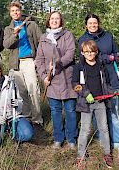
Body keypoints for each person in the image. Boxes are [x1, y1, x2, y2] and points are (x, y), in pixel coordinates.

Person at [78, 14, 119, 159]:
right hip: (96, 82)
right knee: (98, 116)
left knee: (114, 113)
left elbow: (115, 51)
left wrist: (118, 56)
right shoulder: (83, 39)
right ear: (86, 25)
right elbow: (86, 59)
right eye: (90, 23)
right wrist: (108, 57)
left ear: (98, 24)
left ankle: (117, 144)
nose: (93, 25)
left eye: (95, 23)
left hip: (111, 78)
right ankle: (102, 142)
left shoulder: (108, 36)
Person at [35, 11, 77, 149]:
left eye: (57, 18)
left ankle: (71, 139)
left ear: (61, 21)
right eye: (52, 18)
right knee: (55, 110)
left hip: (67, 78)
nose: (54, 21)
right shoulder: (43, 38)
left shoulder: (67, 35)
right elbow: (39, 60)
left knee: (70, 110)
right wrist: (43, 76)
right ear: (48, 21)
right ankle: (58, 138)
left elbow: (70, 54)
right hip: (51, 80)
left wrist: (57, 64)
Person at [72, 40, 113, 169]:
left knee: (104, 128)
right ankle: (81, 156)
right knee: (85, 130)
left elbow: (106, 82)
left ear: (96, 52)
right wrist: (85, 93)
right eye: (87, 52)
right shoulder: (78, 67)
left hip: (100, 102)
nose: (90, 54)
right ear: (83, 53)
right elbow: (75, 85)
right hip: (86, 104)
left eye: (92, 51)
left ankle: (107, 154)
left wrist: (110, 93)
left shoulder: (101, 65)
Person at [3, 1, 43, 125]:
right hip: (15, 64)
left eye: (17, 10)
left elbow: (41, 41)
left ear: (20, 11)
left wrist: (39, 59)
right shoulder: (8, 29)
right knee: (21, 92)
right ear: (10, 14)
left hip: (29, 61)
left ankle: (37, 119)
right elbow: (6, 45)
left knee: (33, 91)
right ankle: (26, 117)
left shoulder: (31, 25)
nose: (15, 12)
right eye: (13, 11)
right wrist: (14, 34)